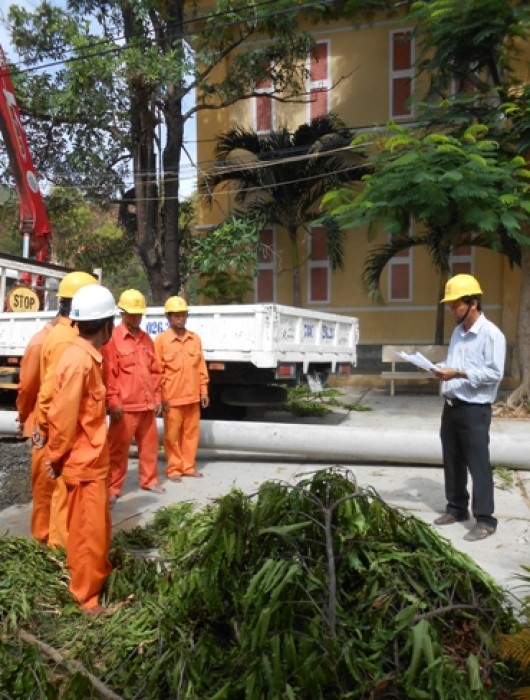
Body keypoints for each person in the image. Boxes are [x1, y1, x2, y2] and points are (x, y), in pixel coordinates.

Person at [46, 284, 116, 615]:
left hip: (90, 463)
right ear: (105, 325)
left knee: (90, 530)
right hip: (84, 464)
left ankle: (90, 579)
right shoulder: (80, 362)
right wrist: (55, 457)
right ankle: (86, 598)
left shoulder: (81, 357)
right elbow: (63, 416)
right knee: (89, 534)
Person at [432, 273, 506, 542]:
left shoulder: (491, 335)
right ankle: (456, 509)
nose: (453, 309)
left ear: (473, 303)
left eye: (457, 305)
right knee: (452, 460)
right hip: (451, 406)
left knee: (478, 465)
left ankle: (485, 520)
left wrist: (458, 373)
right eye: (451, 305)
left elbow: (494, 373)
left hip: (475, 410)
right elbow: (454, 361)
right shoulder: (458, 332)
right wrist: (437, 367)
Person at [34, 270, 99, 549]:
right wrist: (47, 433)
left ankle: (53, 545)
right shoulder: (65, 341)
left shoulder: (62, 334)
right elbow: (53, 395)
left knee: (55, 497)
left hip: (58, 430)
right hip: (60, 433)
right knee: (59, 497)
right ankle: (56, 552)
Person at [102, 289, 165, 506]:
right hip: (125, 408)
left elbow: (155, 371)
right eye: (133, 314)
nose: (137, 318)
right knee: (118, 450)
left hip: (147, 406)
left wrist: (157, 397)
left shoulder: (147, 340)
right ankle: (113, 488)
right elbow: (109, 374)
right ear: (123, 313)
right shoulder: (113, 340)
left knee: (149, 447)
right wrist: (113, 401)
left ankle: (149, 480)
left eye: (139, 314)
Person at [154, 296, 209, 481]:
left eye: (183, 315)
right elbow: (157, 372)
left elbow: (201, 367)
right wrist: (161, 397)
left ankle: (188, 466)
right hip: (172, 399)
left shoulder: (195, 339)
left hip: (192, 397)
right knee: (171, 436)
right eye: (176, 315)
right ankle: (174, 469)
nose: (181, 319)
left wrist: (204, 391)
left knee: (191, 434)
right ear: (169, 317)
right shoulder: (161, 341)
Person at [16, 316, 59, 543]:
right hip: (42, 426)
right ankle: (43, 538)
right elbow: (27, 386)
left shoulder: (62, 339)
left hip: (59, 425)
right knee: (44, 486)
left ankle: (55, 536)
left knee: (55, 485)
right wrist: (24, 416)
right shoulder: (41, 342)